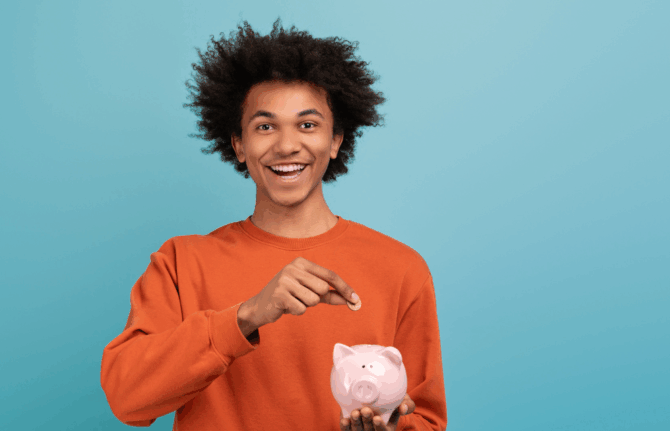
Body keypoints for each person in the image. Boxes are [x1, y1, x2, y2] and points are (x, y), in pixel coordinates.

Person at [100, 18, 447, 431]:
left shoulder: (400, 268)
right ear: (238, 144)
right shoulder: (181, 262)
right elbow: (127, 400)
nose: (286, 145)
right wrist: (246, 316)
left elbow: (425, 418)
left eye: (308, 124)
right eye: (265, 126)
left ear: (335, 140)